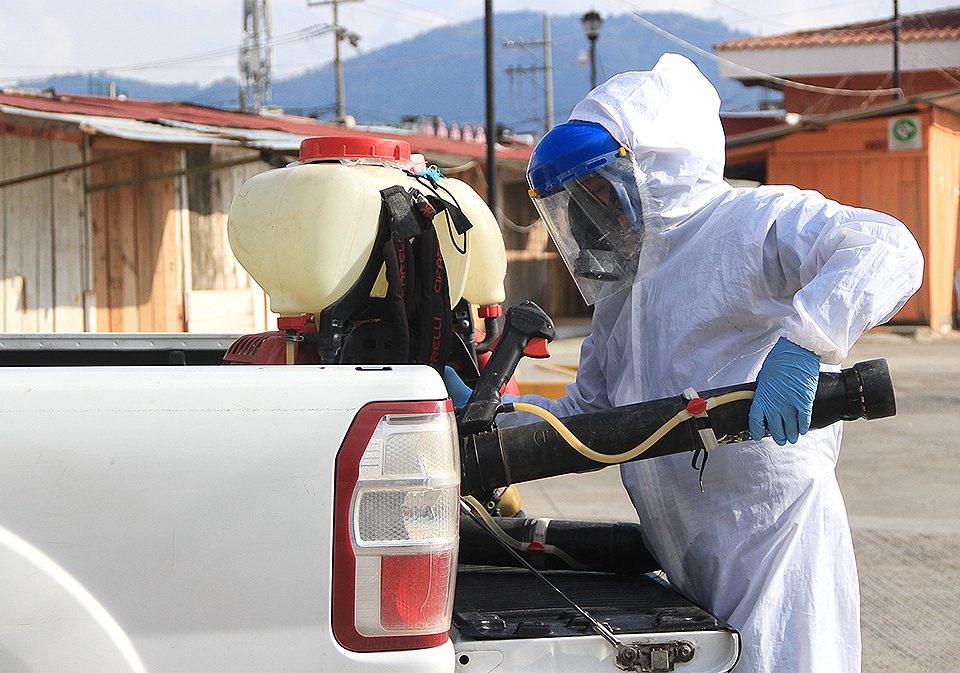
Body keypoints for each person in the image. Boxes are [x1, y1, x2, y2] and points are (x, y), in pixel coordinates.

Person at [444, 54, 923, 672]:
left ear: (654, 169)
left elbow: (887, 248)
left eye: (596, 191)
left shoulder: (749, 224)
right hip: (680, 547)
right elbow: (582, 419)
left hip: (771, 536)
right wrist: (487, 422)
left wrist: (806, 344)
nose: (591, 217)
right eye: (576, 203)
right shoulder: (625, 296)